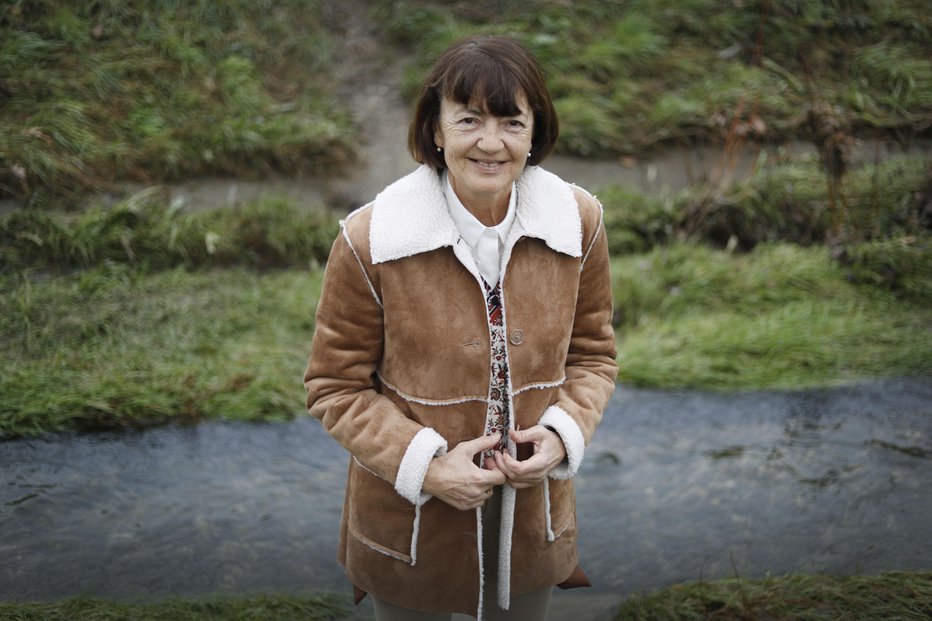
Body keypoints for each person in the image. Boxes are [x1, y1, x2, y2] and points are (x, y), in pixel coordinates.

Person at [304, 34, 617, 621]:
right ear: (436, 129)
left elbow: (594, 357)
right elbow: (334, 387)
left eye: (511, 122)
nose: (491, 142)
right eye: (469, 119)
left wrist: (561, 434)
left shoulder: (579, 222)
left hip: (531, 513)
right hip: (413, 518)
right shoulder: (369, 239)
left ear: (535, 132)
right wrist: (425, 465)